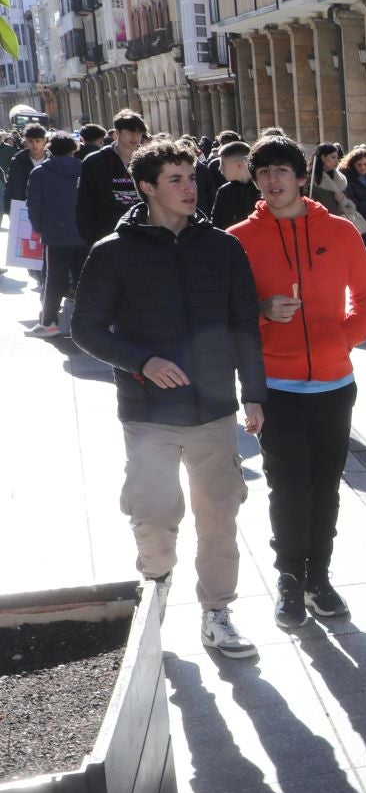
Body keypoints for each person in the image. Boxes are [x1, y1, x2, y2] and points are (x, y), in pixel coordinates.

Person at [71, 138, 267, 659]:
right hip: (148, 414)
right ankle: (155, 587)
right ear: (146, 187)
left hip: (213, 411)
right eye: (175, 179)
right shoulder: (113, 252)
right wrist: (142, 362)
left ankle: (217, 612)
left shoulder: (222, 247)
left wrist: (254, 394)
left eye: (191, 177)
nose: (189, 187)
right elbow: (85, 327)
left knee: (219, 517)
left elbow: (244, 325)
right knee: (155, 515)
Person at [229, 135, 366, 631]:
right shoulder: (239, 239)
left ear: (299, 177)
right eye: (264, 173)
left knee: (325, 489)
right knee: (288, 487)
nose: (273, 181)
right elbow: (224, 316)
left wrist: (343, 340)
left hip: (334, 386)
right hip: (278, 387)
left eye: (282, 171)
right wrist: (261, 311)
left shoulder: (339, 231)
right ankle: (290, 580)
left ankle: (320, 577)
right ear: (255, 181)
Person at [25, 132, 83, 337]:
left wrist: (40, 228)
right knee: (85, 279)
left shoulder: (40, 173)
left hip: (55, 233)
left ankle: (49, 322)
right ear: (73, 149)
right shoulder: (84, 170)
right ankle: (89, 324)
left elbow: (34, 205)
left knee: (54, 280)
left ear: (50, 148)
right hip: (84, 231)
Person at [77, 110, 145, 247]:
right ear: (117, 133)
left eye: (139, 132)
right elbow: (84, 203)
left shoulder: (148, 161)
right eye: (130, 131)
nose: (135, 136)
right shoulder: (95, 162)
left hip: (142, 235)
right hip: (105, 235)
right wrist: (90, 238)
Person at [209, 141, 260, 230]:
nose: (220, 168)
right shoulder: (223, 192)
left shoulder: (262, 189)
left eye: (223, 164)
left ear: (239, 165)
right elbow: (216, 225)